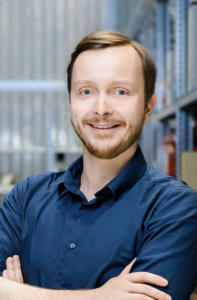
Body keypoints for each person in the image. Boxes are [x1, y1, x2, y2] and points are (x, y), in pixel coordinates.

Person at [0, 30, 197, 300]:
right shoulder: (25, 198)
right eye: (86, 91)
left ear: (148, 108)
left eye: (120, 91)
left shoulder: (176, 209)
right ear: (71, 101)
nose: (101, 108)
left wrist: (16, 293)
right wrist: (97, 296)